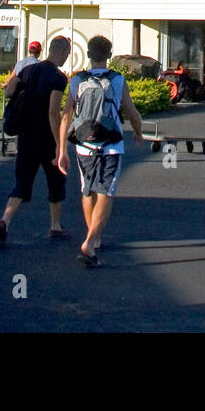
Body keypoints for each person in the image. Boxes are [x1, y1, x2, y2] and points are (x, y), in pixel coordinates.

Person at [57, 35, 143, 267]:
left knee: (88, 190)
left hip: (84, 144)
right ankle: (90, 241)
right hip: (111, 144)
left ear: (88, 54)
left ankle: (93, 237)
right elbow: (132, 112)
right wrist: (138, 132)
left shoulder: (77, 80)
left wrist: (62, 148)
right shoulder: (117, 80)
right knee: (106, 191)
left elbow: (66, 115)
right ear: (109, 55)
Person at [0, 36, 71, 245]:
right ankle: (55, 226)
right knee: (56, 181)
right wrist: (59, 144)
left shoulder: (28, 70)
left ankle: (5, 220)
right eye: (67, 54)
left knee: (23, 181)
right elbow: (53, 112)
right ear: (63, 53)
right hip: (46, 138)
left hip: (25, 135)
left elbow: (9, 91)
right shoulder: (58, 77)